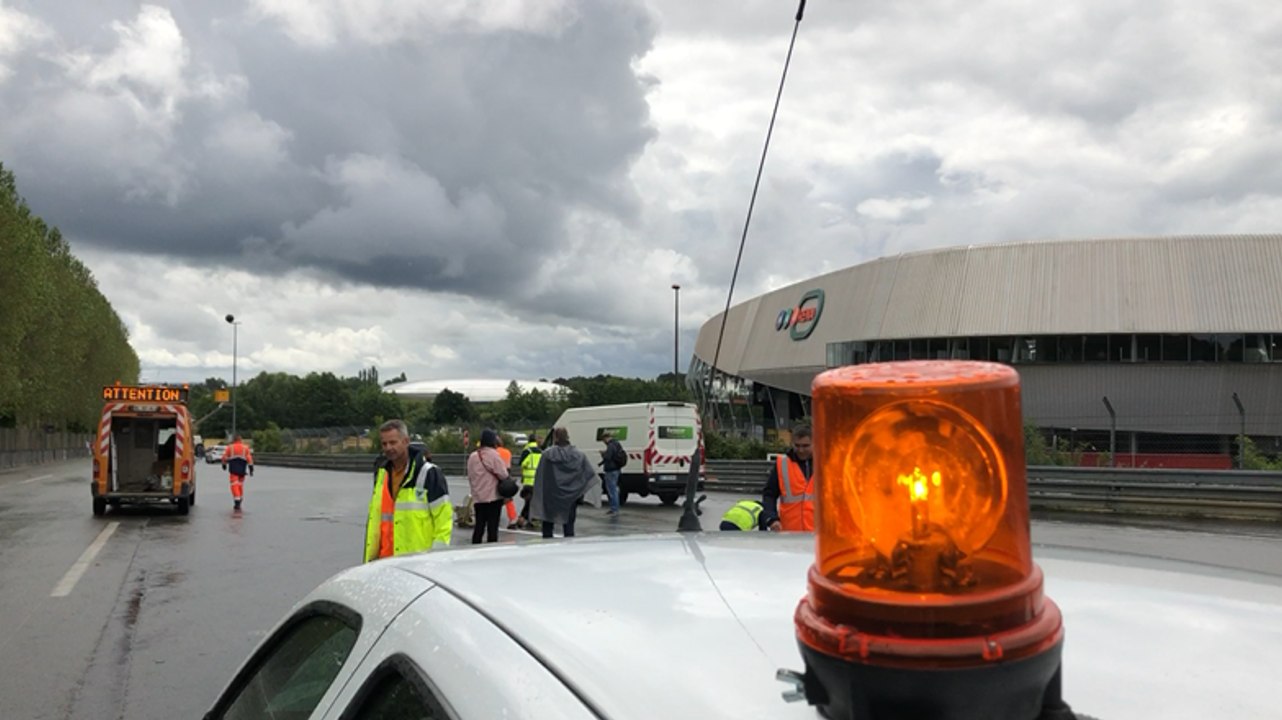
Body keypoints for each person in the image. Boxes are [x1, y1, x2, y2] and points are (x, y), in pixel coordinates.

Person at [363, 419, 452, 562]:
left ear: (406, 441)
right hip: (383, 560)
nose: (388, 448)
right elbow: (377, 519)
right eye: (384, 444)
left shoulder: (429, 474)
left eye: (393, 442)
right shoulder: (382, 474)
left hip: (416, 562)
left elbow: (444, 521)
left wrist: (435, 558)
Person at [531, 427, 600, 538]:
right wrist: (579, 490)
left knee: (548, 523)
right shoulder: (578, 455)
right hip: (571, 495)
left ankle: (547, 546)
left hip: (551, 495)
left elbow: (541, 475)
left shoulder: (547, 455)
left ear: (555, 437)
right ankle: (568, 546)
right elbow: (588, 474)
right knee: (569, 524)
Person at [761, 424, 814, 532]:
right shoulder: (782, 464)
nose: (801, 450)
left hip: (820, 534)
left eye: (805, 446)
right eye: (797, 445)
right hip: (789, 533)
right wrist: (772, 519)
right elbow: (769, 495)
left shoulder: (828, 463)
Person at [467, 429, 510, 544]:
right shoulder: (494, 455)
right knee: (492, 528)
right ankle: (491, 552)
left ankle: (474, 548)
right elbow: (503, 474)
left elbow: (470, 475)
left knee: (479, 527)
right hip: (493, 497)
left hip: (478, 498)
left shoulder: (472, 456)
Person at [221, 434, 254, 509]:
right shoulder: (245, 448)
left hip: (233, 469)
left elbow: (225, 457)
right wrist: (251, 469)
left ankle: (237, 501)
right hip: (242, 469)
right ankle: (240, 498)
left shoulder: (230, 447)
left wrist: (224, 464)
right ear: (240, 440)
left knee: (234, 485)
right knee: (240, 485)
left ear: (234, 440)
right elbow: (249, 458)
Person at [516, 436, 542, 529]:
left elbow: (522, 464)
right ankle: (530, 519)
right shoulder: (540, 452)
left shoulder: (527, 451)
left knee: (528, 501)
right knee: (532, 501)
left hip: (528, 480)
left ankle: (523, 518)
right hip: (538, 481)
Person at [598, 430, 625, 516]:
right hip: (616, 469)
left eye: (603, 440)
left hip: (611, 469)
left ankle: (614, 509)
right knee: (614, 489)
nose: (603, 442)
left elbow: (608, 457)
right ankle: (615, 508)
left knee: (611, 490)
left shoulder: (611, 445)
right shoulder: (617, 444)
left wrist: (603, 454)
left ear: (606, 438)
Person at [496, 435, 518, 528]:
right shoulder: (507, 452)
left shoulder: (494, 452)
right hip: (507, 476)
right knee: (508, 499)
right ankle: (513, 518)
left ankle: (494, 518)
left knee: (495, 499)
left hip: (497, 476)